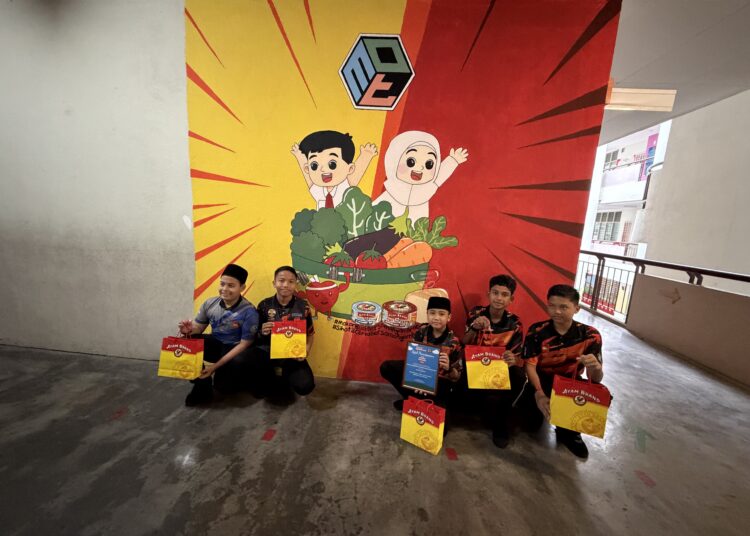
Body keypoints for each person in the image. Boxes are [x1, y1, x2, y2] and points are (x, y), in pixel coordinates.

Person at [522, 284, 603, 458]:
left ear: (576, 309)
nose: (556, 311)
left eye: (563, 307)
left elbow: (596, 379)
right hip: (541, 380)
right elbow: (530, 366)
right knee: (529, 425)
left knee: (572, 419)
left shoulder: (590, 335)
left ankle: (570, 432)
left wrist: (595, 367)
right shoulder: (537, 331)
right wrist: (539, 393)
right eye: (552, 306)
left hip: (570, 384)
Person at [178, 263, 259, 407]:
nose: (224, 289)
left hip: (235, 351)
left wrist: (214, 367)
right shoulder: (210, 303)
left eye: (231, 286)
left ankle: (237, 380)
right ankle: (202, 384)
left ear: (242, 288)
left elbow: (244, 344)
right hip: (216, 344)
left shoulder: (249, 311)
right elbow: (199, 327)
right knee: (186, 342)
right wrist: (188, 330)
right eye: (222, 284)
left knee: (223, 388)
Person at [460, 274, 525, 448]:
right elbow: (464, 342)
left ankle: (500, 424)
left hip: (499, 369)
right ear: (488, 294)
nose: (499, 298)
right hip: (475, 366)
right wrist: (474, 327)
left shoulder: (515, 323)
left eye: (504, 294)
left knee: (519, 375)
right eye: (495, 293)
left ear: (511, 299)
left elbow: (517, 357)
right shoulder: (476, 313)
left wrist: (512, 358)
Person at [380, 296, 462, 411]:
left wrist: (449, 368)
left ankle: (419, 402)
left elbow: (456, 377)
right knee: (387, 367)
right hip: (419, 375)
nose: (436, 317)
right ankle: (412, 399)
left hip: (439, 383)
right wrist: (417, 381)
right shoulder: (421, 331)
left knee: (442, 419)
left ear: (449, 317)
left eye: (441, 314)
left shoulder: (454, 342)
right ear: (427, 314)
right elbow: (413, 360)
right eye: (432, 313)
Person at [248, 266, 316, 397]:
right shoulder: (264, 305)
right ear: (274, 283)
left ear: (295, 284)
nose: (285, 285)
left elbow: (310, 334)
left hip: (293, 353)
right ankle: (269, 378)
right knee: (258, 391)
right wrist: (262, 332)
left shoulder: (304, 306)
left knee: (305, 386)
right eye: (281, 280)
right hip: (267, 351)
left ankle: (286, 375)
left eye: (291, 281)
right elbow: (253, 335)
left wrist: (306, 350)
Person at [372, 130, 468, 219]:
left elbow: (440, 174)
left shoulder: (426, 189)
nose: (420, 167)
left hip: (415, 222)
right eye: (411, 162)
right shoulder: (392, 191)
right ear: (394, 160)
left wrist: (452, 160)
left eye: (429, 164)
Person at [291, 130, 378, 209]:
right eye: (314, 165)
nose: (323, 169)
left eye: (332, 164)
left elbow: (357, 173)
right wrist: (299, 155)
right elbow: (307, 176)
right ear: (307, 168)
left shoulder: (345, 188)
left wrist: (367, 155)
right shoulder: (318, 191)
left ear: (350, 169)